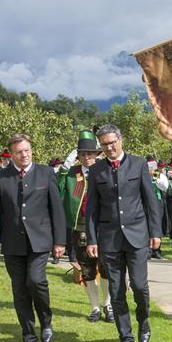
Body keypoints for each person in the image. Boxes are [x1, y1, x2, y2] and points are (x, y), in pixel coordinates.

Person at [85, 124, 162, 342]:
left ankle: (143, 321)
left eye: (112, 142)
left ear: (121, 140)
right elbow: (92, 209)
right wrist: (92, 239)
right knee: (116, 290)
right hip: (109, 239)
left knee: (139, 285)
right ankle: (125, 337)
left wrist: (155, 232)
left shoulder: (138, 164)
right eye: (104, 144)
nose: (109, 148)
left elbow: (150, 201)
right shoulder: (96, 171)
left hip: (137, 236)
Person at [0, 134, 66, 342]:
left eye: (27, 150)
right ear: (11, 155)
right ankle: (28, 334)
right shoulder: (1, 177)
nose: (24, 155)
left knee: (36, 280)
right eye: (19, 152)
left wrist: (59, 240)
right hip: (13, 242)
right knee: (19, 289)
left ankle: (46, 322)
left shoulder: (46, 173)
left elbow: (56, 209)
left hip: (40, 240)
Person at [57, 130, 113, 323]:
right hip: (80, 226)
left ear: (96, 154)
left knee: (106, 268)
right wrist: (65, 167)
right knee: (87, 269)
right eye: (82, 154)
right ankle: (95, 307)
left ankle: (107, 304)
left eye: (90, 153)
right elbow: (58, 188)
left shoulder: (105, 170)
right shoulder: (72, 174)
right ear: (78, 156)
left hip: (103, 226)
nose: (87, 157)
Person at [146, 156, 168, 259]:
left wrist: (155, 177)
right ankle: (147, 250)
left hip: (157, 201)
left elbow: (165, 187)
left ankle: (157, 250)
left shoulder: (160, 175)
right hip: (146, 201)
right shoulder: (142, 174)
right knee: (146, 225)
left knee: (158, 224)